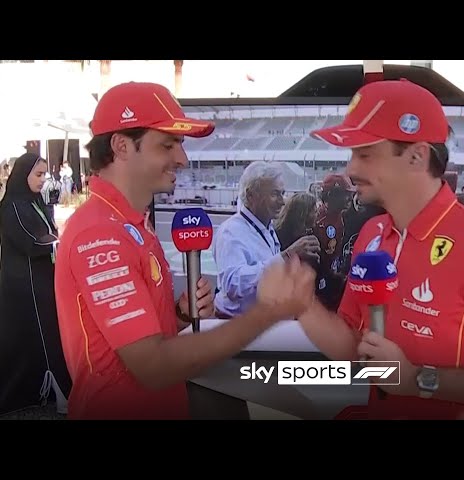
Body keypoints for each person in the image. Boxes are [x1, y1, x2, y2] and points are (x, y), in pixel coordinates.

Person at [295, 79, 464, 420]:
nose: (351, 169)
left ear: (417, 156)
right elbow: (353, 349)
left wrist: (419, 379)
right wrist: (302, 305)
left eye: (365, 153)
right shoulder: (373, 233)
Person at [54, 82, 317, 420]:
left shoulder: (129, 224)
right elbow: (151, 366)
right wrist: (267, 314)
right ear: (121, 146)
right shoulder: (100, 234)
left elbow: (140, 344)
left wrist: (177, 315)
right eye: (168, 145)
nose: (182, 159)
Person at [0, 153, 71, 416]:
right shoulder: (13, 207)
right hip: (24, 286)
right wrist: (60, 242)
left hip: (41, 281)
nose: (43, 180)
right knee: (40, 337)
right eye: (38, 175)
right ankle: (50, 391)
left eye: (44, 175)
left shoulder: (34, 203)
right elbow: (31, 241)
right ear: (23, 174)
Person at [214, 161, 320, 318]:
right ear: (251, 195)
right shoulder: (231, 232)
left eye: (282, 193)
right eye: (274, 194)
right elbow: (232, 285)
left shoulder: (266, 227)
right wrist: (287, 256)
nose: (282, 201)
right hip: (239, 327)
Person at [313, 174, 356, 311]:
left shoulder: (340, 217)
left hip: (333, 278)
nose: (349, 198)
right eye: (345, 194)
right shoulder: (319, 220)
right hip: (321, 286)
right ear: (332, 195)